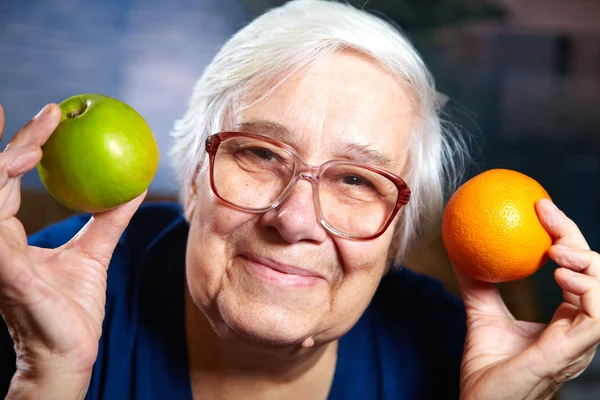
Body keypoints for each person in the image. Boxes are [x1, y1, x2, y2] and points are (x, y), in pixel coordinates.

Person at [1, 0, 599, 399]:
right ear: (191, 177)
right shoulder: (51, 287)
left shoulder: (447, 351)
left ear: (398, 233)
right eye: (260, 154)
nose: (292, 221)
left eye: (357, 180)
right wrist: (44, 374)